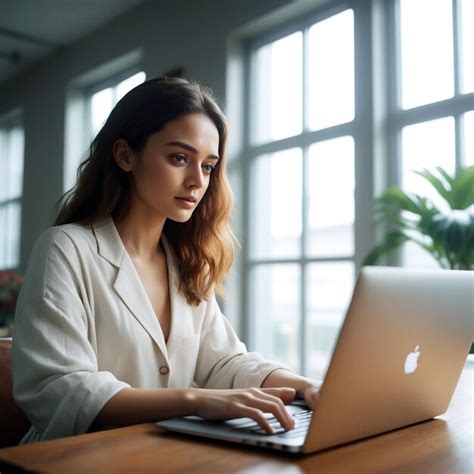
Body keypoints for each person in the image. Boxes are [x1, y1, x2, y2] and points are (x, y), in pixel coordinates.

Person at [12, 77, 321, 443]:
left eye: (208, 166)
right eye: (179, 158)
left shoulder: (185, 262)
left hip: (160, 456)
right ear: (126, 155)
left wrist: (305, 387)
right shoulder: (65, 248)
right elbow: (61, 387)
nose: (196, 181)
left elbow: (225, 363)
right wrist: (194, 401)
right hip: (70, 460)